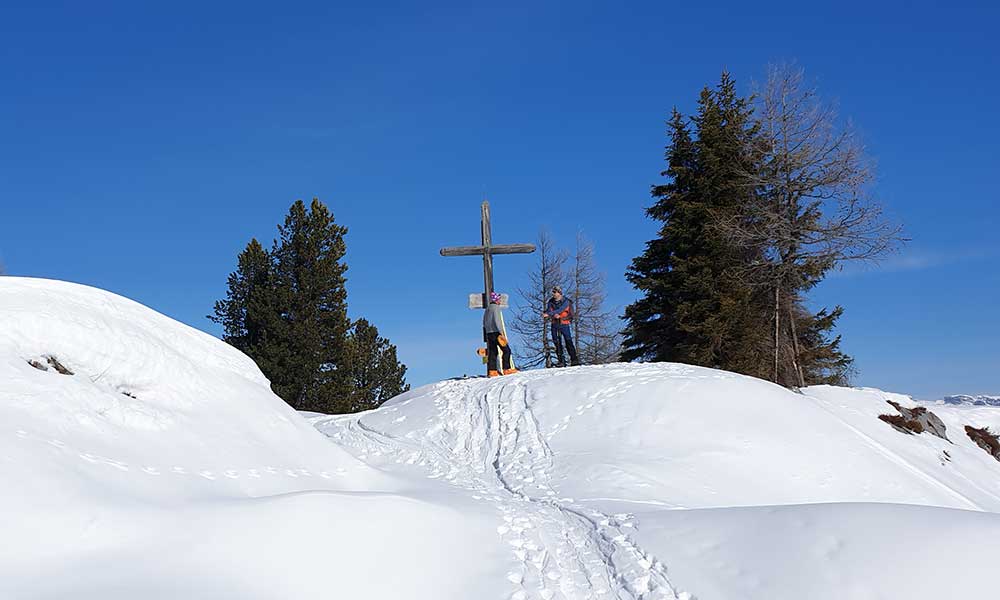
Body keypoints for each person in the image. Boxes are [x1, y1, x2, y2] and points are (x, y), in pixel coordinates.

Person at [543, 286, 579, 367]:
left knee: (568, 341)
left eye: (555, 292)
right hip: (554, 324)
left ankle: (574, 360)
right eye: (553, 292)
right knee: (556, 342)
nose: (553, 294)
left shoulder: (566, 301)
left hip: (564, 324)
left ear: (559, 293)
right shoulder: (551, 302)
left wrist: (552, 315)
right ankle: (561, 361)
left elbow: (562, 310)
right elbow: (549, 310)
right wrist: (550, 314)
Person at [483, 291, 517, 377]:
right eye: (499, 299)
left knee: (493, 352)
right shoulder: (496, 308)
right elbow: (497, 321)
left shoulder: (488, 308)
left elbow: (484, 322)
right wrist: (501, 333)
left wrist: (486, 332)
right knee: (506, 350)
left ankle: (492, 370)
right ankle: (506, 369)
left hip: (489, 333)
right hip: (496, 332)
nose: (500, 301)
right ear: (496, 300)